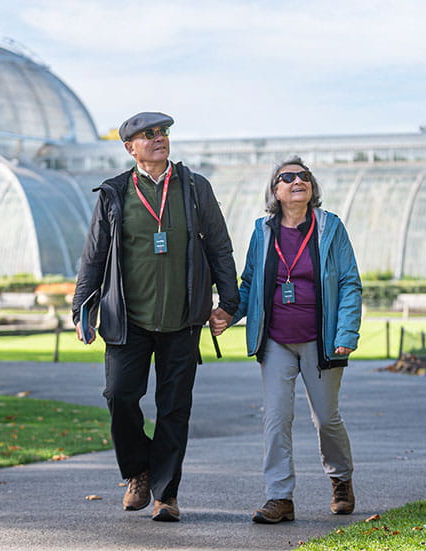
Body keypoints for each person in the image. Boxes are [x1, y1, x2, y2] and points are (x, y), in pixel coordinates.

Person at [72, 112, 239, 522]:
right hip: (128, 321)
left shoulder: (196, 188)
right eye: (148, 135)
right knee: (119, 396)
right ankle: (138, 471)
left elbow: (220, 248)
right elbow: (93, 255)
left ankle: (166, 493)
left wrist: (229, 304)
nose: (159, 139)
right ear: (130, 147)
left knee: (174, 407)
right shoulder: (115, 193)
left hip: (182, 320)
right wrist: (81, 308)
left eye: (163, 132)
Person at [211, 157, 362, 524]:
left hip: (321, 341)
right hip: (276, 339)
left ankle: (340, 479)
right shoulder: (262, 231)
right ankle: (280, 498)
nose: (298, 181)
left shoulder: (331, 228)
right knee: (276, 419)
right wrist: (230, 313)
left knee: (326, 419)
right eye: (288, 177)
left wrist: (346, 332)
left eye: (304, 176)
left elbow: (348, 283)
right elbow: (249, 283)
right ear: (275, 191)